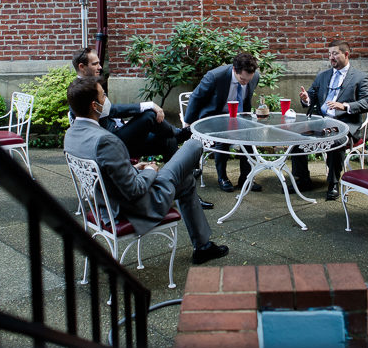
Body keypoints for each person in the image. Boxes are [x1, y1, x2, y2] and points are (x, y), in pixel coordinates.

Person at [64, 76, 229, 265]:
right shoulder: (105, 140)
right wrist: (150, 170)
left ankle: (203, 247)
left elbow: (103, 171)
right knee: (192, 146)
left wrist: (133, 167)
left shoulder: (71, 135)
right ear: (95, 105)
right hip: (138, 206)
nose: (107, 99)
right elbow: (135, 190)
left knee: (186, 181)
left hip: (107, 206)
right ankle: (202, 246)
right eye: (103, 96)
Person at [72, 48, 190, 162]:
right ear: (82, 67)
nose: (100, 67)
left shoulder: (90, 84)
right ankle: (179, 133)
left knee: (169, 140)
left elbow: (109, 113)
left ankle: (180, 176)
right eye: (95, 64)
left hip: (118, 133)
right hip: (112, 143)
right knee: (149, 115)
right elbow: (112, 110)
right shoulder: (81, 91)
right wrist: (149, 105)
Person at [292, 41, 368, 201]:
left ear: (346, 54)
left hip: (344, 125)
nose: (331, 57)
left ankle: (333, 183)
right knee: (296, 139)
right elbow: (312, 95)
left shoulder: (360, 77)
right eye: (329, 54)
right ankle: (303, 180)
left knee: (336, 143)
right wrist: (307, 99)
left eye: (335, 53)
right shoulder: (323, 76)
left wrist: (344, 106)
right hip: (321, 123)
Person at [183, 53, 261, 193]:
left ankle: (246, 178)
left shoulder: (254, 77)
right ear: (234, 70)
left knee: (250, 136)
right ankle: (223, 178)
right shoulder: (215, 76)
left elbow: (246, 99)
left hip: (238, 117)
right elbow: (196, 97)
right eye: (242, 79)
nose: (245, 83)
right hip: (212, 118)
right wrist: (188, 123)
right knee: (223, 137)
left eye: (248, 80)